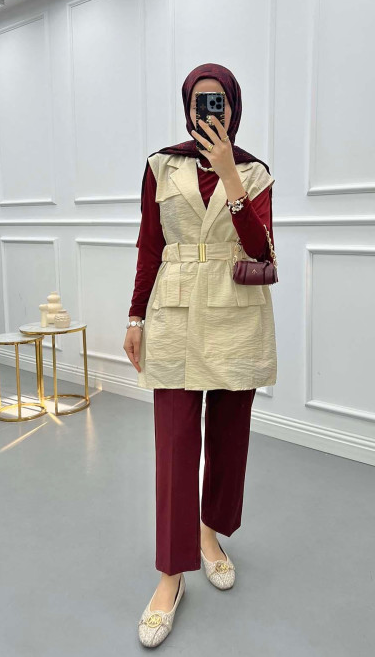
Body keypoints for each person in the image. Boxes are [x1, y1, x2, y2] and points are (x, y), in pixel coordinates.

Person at [124, 63, 277, 648]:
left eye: (219, 102)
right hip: (175, 311)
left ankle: (209, 532)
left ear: (234, 108)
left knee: (230, 440)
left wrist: (230, 176)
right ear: (187, 108)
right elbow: (149, 245)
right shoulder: (161, 166)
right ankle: (171, 575)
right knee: (175, 446)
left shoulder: (255, 172)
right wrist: (135, 317)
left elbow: (261, 250)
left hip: (237, 313)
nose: (209, 112)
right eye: (199, 102)